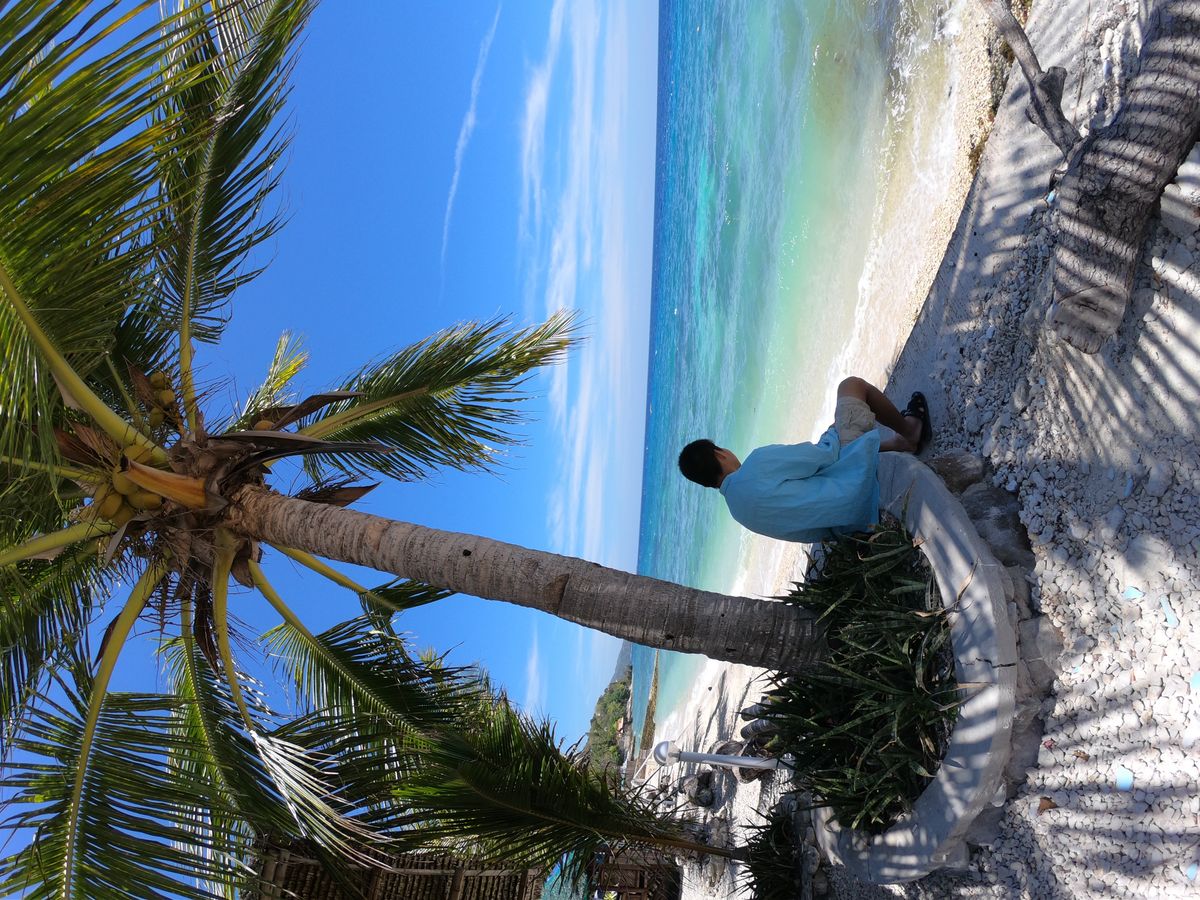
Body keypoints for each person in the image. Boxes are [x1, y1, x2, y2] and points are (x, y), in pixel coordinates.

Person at [677, 376, 931, 543]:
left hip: (851, 526)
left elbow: (806, 529)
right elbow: (824, 455)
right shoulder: (755, 463)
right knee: (851, 386)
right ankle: (910, 433)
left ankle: (895, 444)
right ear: (720, 453)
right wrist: (832, 430)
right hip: (859, 493)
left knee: (840, 450)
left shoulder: (738, 512)